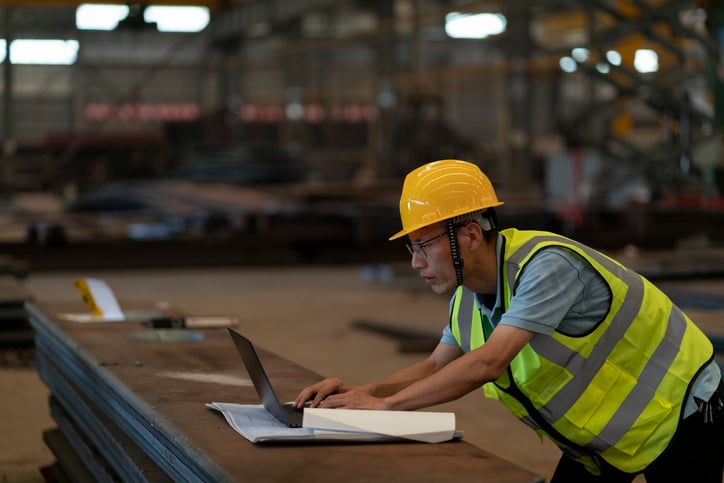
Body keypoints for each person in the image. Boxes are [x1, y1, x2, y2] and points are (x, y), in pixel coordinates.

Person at [295, 159, 724, 482]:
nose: (415, 263)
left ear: (469, 235)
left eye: (423, 246)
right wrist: (361, 392)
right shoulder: (466, 299)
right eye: (410, 248)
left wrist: (384, 407)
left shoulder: (546, 267)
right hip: (603, 442)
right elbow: (437, 365)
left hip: (682, 413)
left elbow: (488, 363)